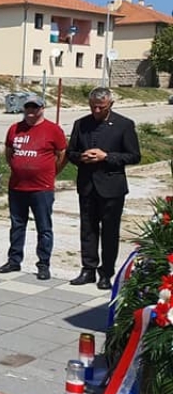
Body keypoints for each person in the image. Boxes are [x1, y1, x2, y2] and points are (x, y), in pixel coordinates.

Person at [66, 87, 141, 290]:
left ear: (110, 105)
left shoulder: (124, 125)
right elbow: (70, 152)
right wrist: (80, 157)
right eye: (93, 107)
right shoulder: (81, 124)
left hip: (111, 187)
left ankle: (106, 272)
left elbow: (134, 156)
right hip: (88, 185)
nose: (97, 111)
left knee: (109, 232)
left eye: (101, 107)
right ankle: (88, 269)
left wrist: (106, 156)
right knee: (88, 229)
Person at [0, 95, 67, 281]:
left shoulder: (53, 130)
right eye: (27, 107)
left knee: (44, 228)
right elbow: (9, 153)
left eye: (34, 108)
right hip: (17, 187)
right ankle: (14, 260)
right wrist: (19, 168)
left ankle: (43, 264)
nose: (30, 111)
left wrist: (50, 173)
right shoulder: (15, 129)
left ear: (42, 108)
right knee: (17, 225)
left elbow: (61, 155)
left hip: (41, 188)